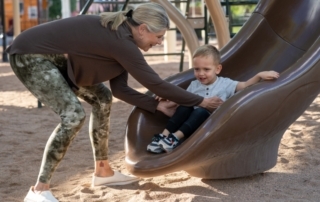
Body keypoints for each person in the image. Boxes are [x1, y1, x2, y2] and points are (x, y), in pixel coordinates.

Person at [6, 3, 223, 202]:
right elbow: (155, 84)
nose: (158, 42)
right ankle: (38, 190)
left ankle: (103, 171)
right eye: (158, 37)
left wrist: (155, 105)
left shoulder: (123, 38)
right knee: (73, 116)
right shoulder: (122, 42)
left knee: (103, 98)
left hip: (59, 58)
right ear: (142, 29)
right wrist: (202, 101)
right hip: (31, 54)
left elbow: (120, 90)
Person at [147, 44, 280, 153]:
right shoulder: (194, 84)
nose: (201, 73)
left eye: (206, 69)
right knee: (184, 107)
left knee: (200, 111)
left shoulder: (225, 83)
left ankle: (175, 138)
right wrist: (169, 97)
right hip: (190, 121)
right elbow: (183, 98)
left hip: (209, 124)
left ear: (217, 69)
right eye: (197, 69)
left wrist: (259, 75)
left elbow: (245, 85)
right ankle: (164, 136)